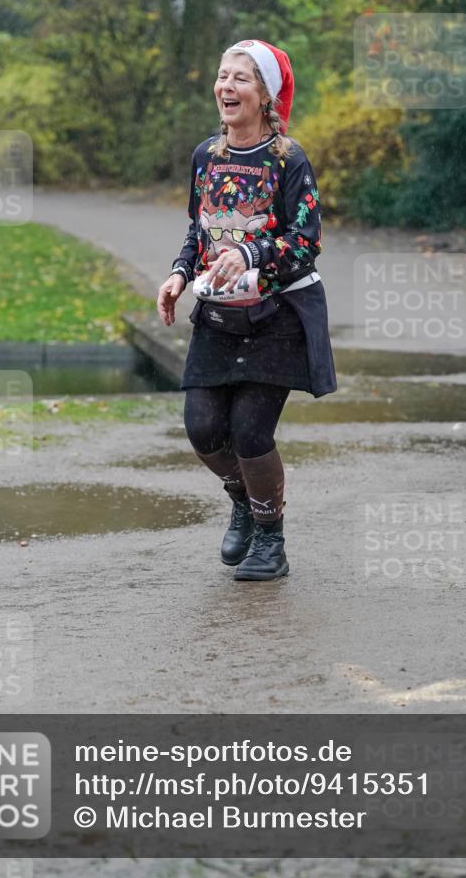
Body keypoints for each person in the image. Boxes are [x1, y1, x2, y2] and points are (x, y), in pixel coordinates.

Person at [156, 39, 337, 581]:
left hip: (277, 315)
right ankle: (244, 501)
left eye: (241, 79)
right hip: (218, 316)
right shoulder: (206, 156)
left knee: (251, 430)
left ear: (265, 96)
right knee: (204, 428)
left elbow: (306, 241)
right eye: (222, 76)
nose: (226, 87)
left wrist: (251, 252)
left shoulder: (289, 159)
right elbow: (199, 229)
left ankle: (270, 540)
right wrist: (179, 273)